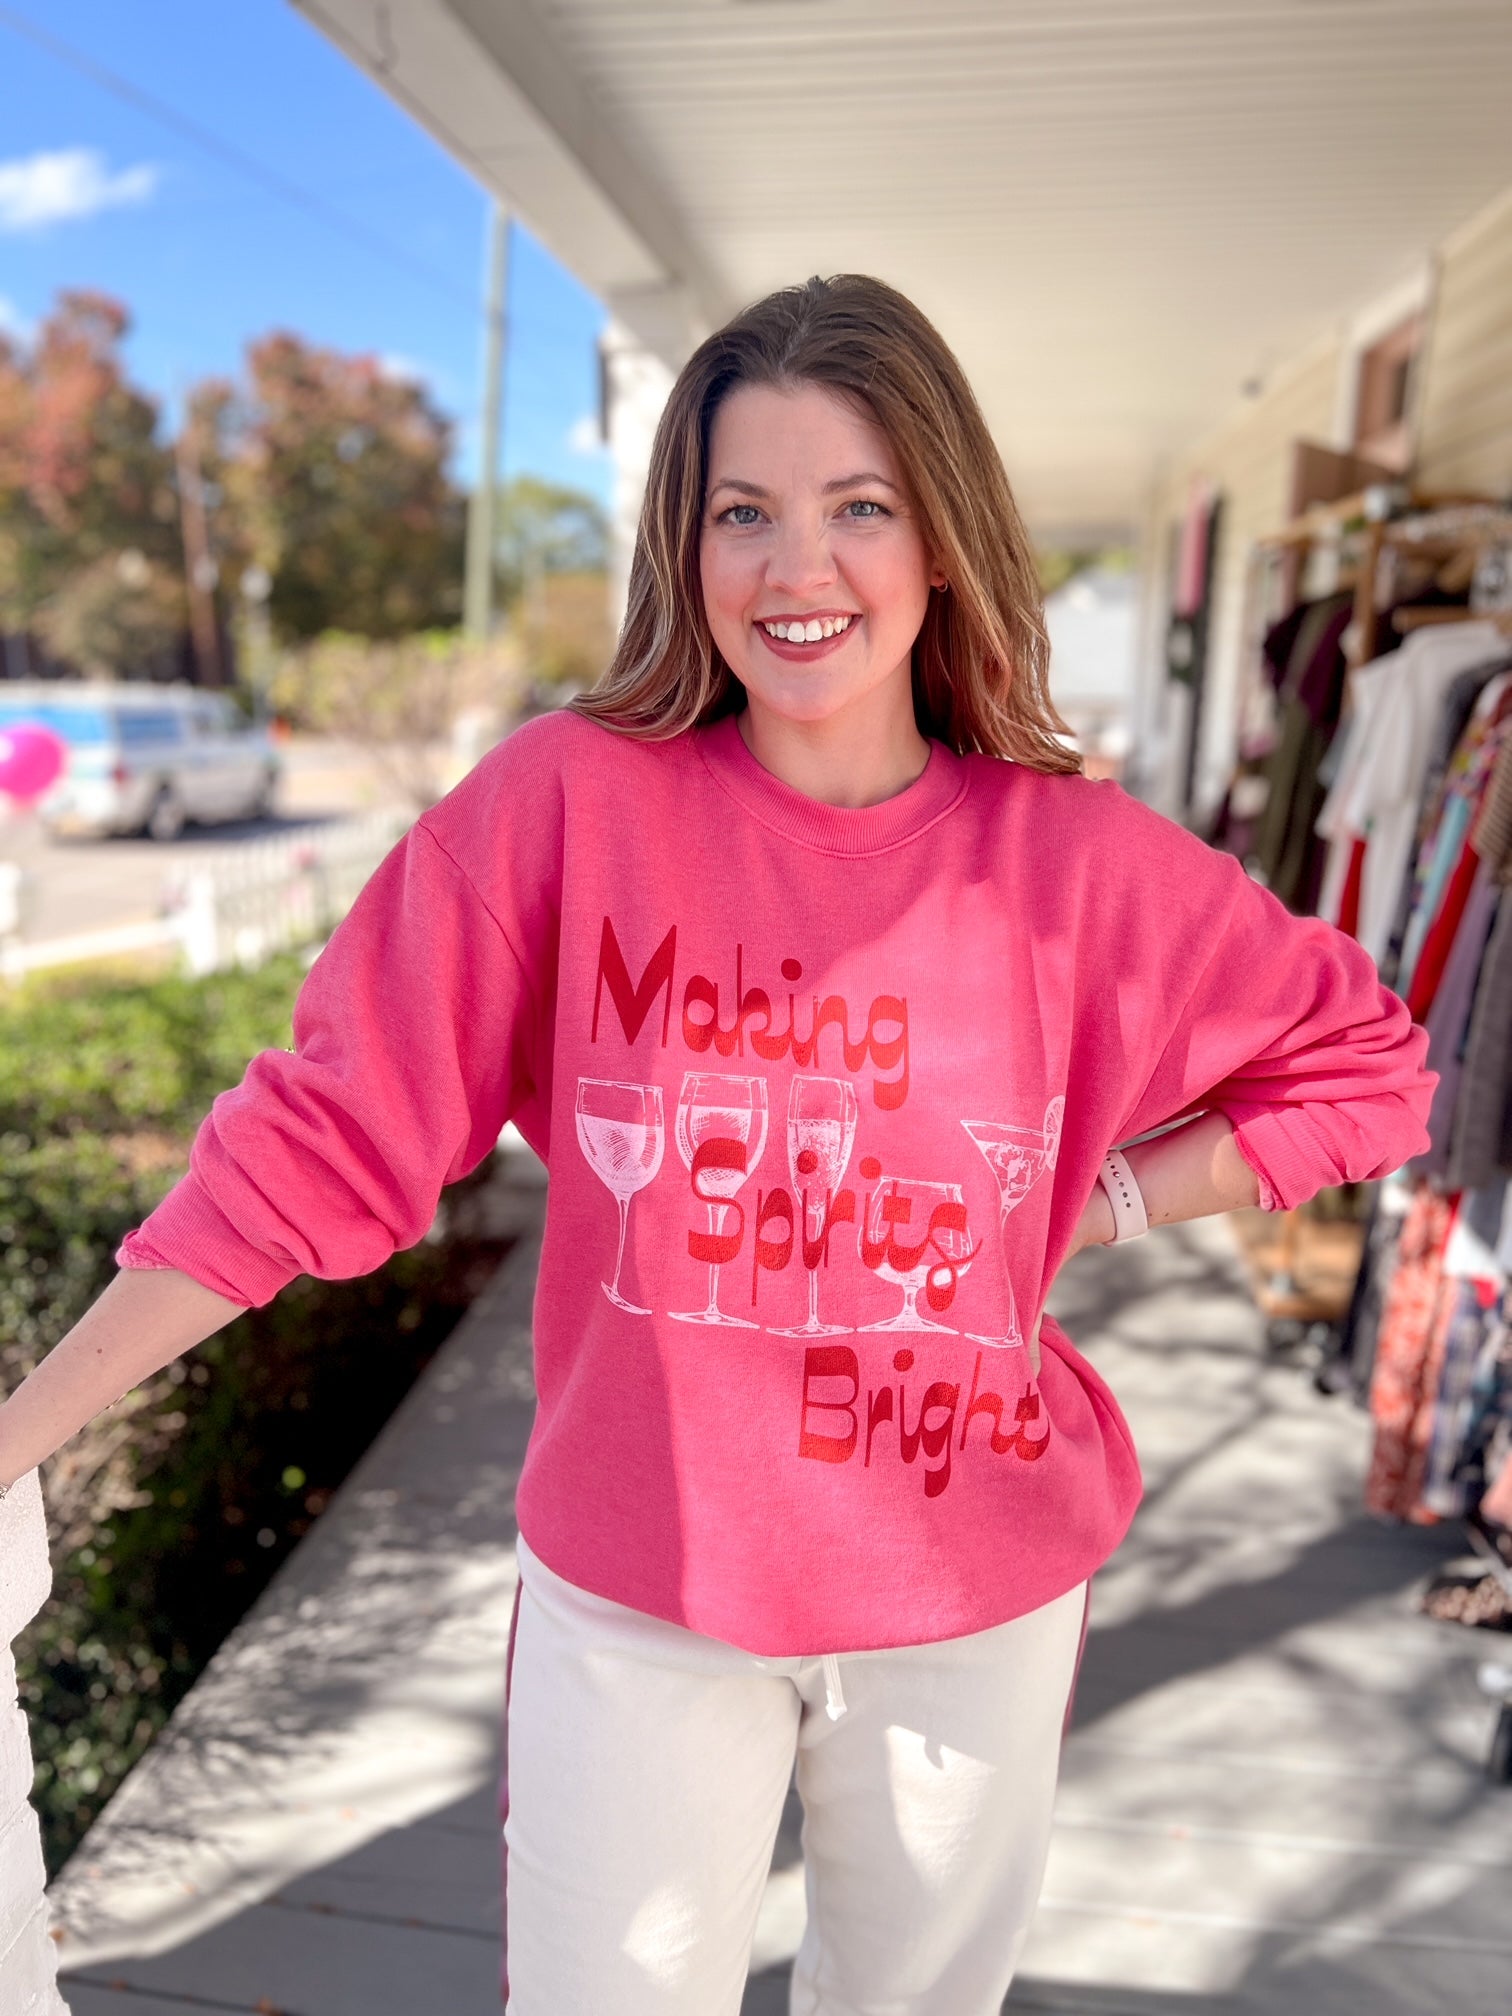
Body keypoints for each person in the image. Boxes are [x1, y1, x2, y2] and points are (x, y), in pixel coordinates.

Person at [0, 275, 1435, 2015]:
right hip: (642, 1583)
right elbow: (316, 1136)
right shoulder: (564, 811)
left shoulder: (1077, 863)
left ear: (944, 540)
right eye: (741, 513)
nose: (794, 570)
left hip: (968, 1588)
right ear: (684, 546)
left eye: (858, 508)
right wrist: (23, 1434)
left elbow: (1367, 1067)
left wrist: (1099, 1201)